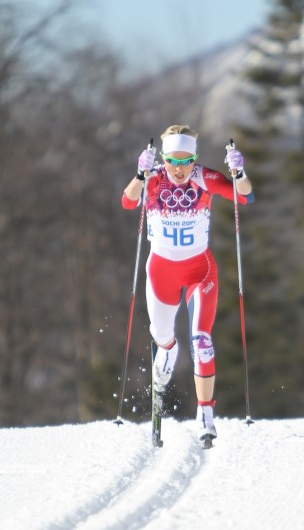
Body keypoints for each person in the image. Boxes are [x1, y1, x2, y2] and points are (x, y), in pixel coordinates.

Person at [122, 124, 253, 443]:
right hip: (161, 273)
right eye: (173, 162)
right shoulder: (152, 179)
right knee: (162, 336)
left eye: (187, 161)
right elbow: (128, 202)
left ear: (195, 159)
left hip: (200, 272)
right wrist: (139, 176)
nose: (180, 169)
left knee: (203, 342)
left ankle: (206, 415)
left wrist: (239, 172)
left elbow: (243, 197)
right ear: (163, 159)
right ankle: (167, 351)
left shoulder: (204, 178)